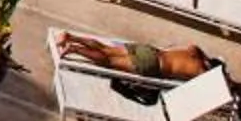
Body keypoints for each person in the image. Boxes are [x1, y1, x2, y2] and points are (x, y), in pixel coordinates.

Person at [52, 31, 217, 82]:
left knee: (106, 49)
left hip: (150, 51)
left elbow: (195, 47)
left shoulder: (193, 53)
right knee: (108, 61)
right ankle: (74, 49)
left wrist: (207, 59)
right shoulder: (201, 73)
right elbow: (211, 83)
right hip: (152, 63)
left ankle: (72, 37)